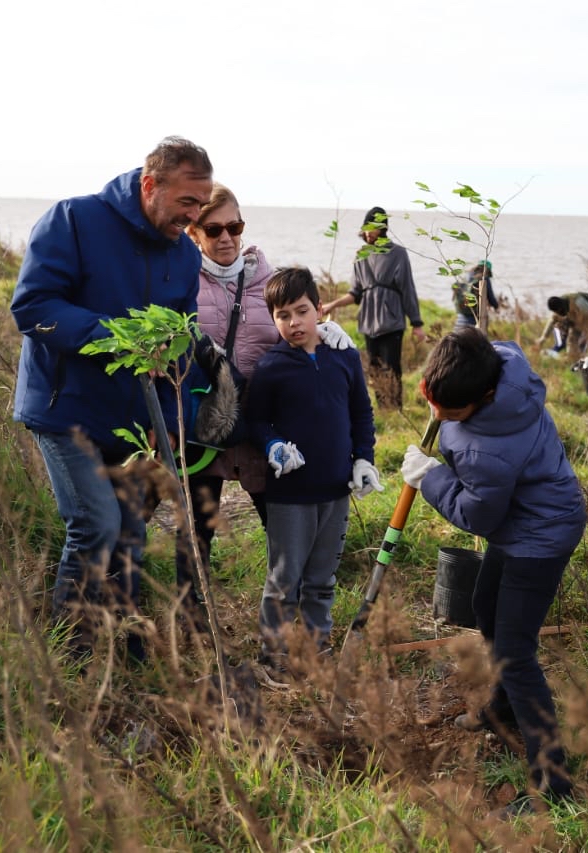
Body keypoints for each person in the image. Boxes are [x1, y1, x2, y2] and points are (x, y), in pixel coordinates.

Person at [11, 136, 214, 661]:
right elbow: (32, 307)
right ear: (150, 185)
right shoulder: (74, 221)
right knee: (95, 526)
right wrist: (119, 337)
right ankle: (70, 656)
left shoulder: (186, 256)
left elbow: (180, 344)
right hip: (64, 409)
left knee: (129, 534)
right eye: (186, 203)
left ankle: (130, 653)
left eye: (202, 205)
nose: (193, 217)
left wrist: (171, 418)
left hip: (130, 421)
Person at [401, 327, 584, 817]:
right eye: (432, 401)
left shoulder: (490, 450)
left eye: (451, 412)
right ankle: (503, 711)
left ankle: (553, 785)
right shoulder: (496, 359)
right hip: (523, 522)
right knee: (484, 604)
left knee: (515, 653)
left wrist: (431, 475)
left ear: (482, 400)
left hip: (539, 536)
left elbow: (479, 516)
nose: (438, 416)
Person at [176, 185, 356, 609]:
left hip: (263, 428)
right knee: (196, 530)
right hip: (205, 426)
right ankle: (189, 624)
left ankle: (291, 615)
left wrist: (324, 334)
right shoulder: (180, 283)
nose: (226, 237)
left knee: (284, 528)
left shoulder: (266, 280)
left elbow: (295, 320)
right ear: (194, 232)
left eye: (234, 226)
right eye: (213, 228)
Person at [244, 266, 380, 662]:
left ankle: (317, 646)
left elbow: (362, 414)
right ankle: (274, 652)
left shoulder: (345, 357)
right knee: (284, 580)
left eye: (301, 311)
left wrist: (363, 460)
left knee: (321, 579)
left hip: (336, 490)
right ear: (273, 319)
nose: (293, 322)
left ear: (319, 308)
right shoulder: (272, 366)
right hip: (290, 495)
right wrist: (272, 446)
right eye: (282, 315)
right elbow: (255, 421)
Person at [320, 207, 424, 411]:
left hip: (391, 321)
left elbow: (408, 288)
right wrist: (332, 305)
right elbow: (355, 293)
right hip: (368, 322)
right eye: (365, 229)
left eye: (372, 228)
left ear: (382, 228)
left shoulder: (398, 253)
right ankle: (383, 409)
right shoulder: (361, 255)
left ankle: (396, 410)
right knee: (374, 369)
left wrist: (417, 323)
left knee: (392, 368)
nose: (368, 233)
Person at [537, 292, 588, 357]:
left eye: (559, 311)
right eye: (556, 312)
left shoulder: (578, 301)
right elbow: (552, 321)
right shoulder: (557, 307)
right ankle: (574, 359)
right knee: (571, 343)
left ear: (561, 306)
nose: (559, 313)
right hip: (576, 322)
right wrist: (543, 337)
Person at [452, 259, 499, 328]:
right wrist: (496, 307)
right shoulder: (484, 278)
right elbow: (491, 299)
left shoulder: (466, 275)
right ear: (487, 271)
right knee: (475, 337)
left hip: (460, 316)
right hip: (474, 319)